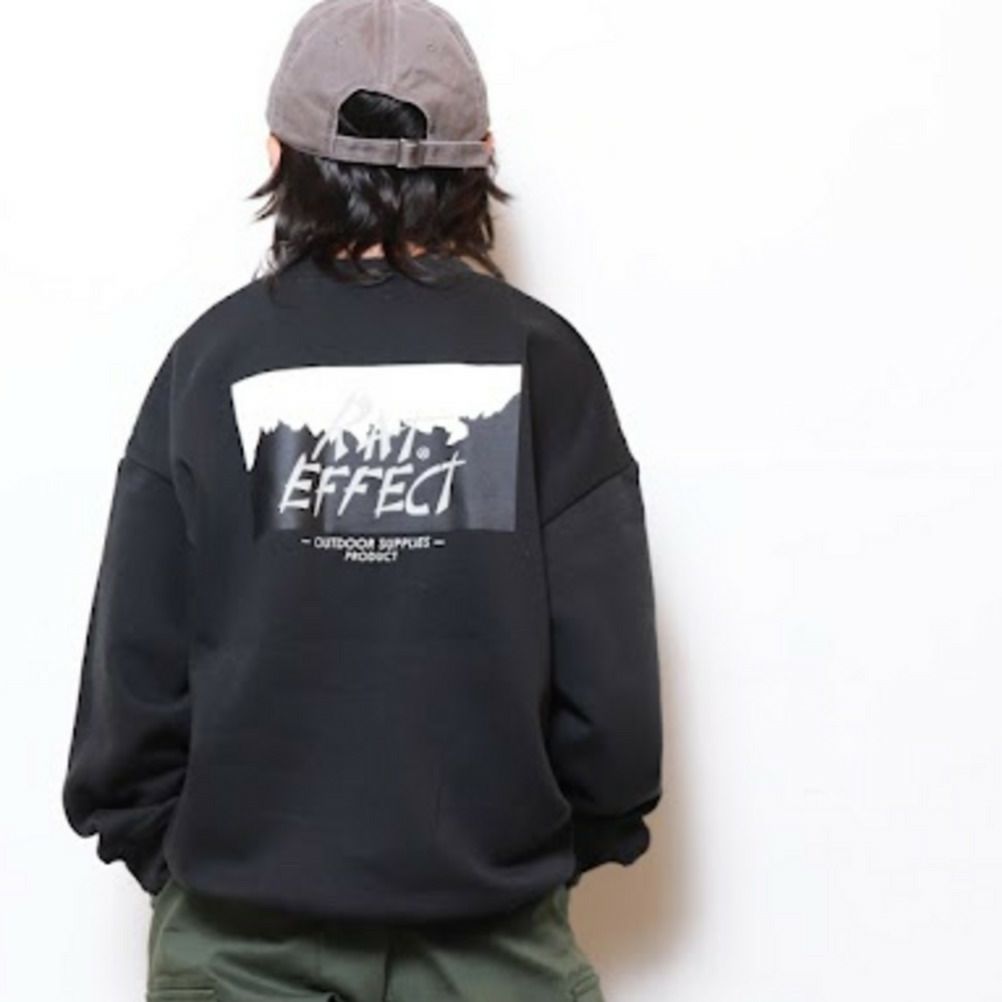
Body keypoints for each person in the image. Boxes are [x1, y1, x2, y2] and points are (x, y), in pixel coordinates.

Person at [60, 0, 664, 999]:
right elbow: (614, 703)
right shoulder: (546, 363)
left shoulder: (212, 361)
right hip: (490, 948)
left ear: (276, 153)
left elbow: (134, 663)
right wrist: (542, 853)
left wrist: (175, 854)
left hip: (241, 950)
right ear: (481, 159)